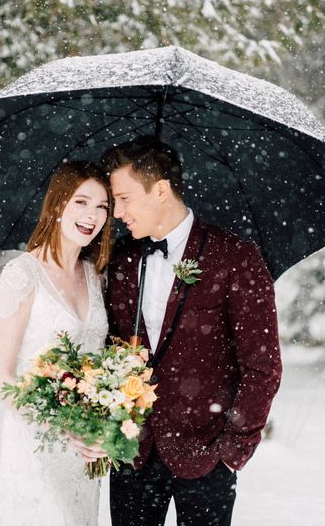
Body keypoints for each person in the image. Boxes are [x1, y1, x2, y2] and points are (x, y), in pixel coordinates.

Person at [102, 136, 282, 526]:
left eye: (125, 198)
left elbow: (262, 366)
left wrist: (232, 450)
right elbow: (109, 346)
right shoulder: (120, 259)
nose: (118, 212)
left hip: (208, 456)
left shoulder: (235, 256)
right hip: (133, 453)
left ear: (160, 190)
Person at [0, 161, 112, 526]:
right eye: (81, 202)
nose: (92, 215)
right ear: (57, 204)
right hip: (37, 444)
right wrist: (58, 425)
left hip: (85, 449)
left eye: (102, 207)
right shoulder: (22, 274)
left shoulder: (96, 277)